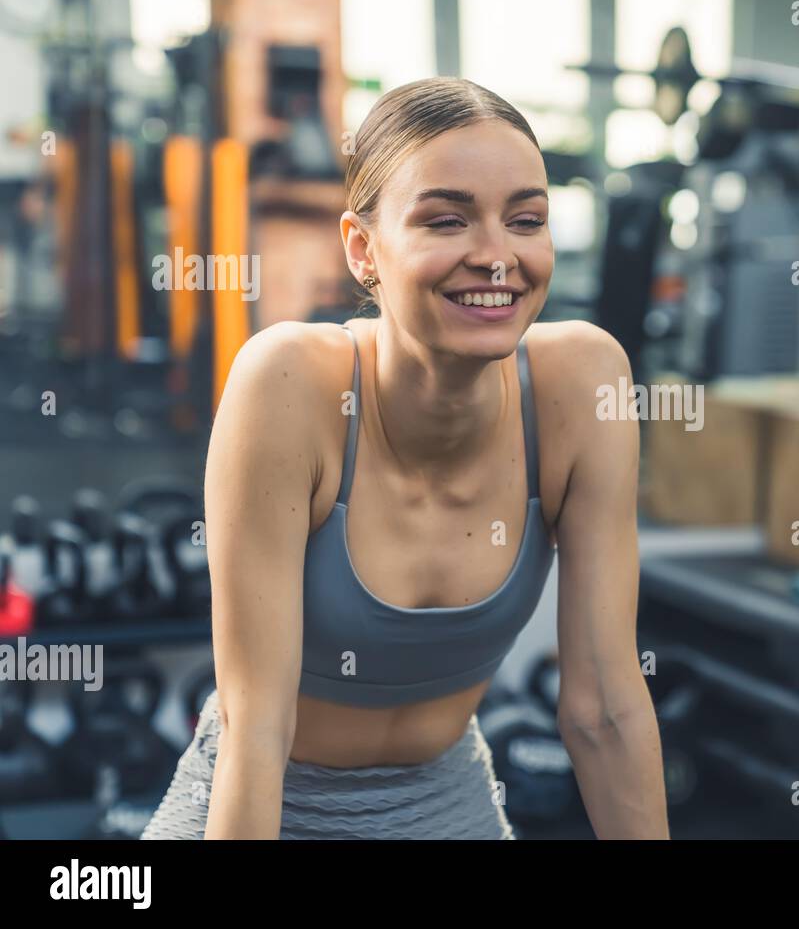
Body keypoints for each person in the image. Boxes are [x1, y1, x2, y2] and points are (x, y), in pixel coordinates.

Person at [142, 77, 668, 839]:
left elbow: (606, 710)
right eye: (447, 220)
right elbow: (257, 732)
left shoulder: (584, 384)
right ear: (364, 250)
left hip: (443, 806)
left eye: (526, 220)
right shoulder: (287, 384)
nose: (496, 257)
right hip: (262, 807)